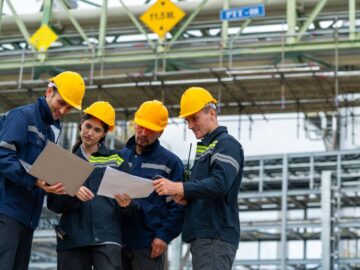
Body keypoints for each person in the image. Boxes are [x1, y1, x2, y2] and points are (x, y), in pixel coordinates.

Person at [0, 71, 86, 270]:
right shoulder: (23, 116)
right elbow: (3, 156)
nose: (63, 110)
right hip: (6, 210)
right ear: (49, 92)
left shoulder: (52, 130)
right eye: (61, 102)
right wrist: (35, 181)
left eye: (69, 107)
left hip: (28, 217)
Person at [153, 87, 244, 270]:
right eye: (187, 120)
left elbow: (220, 184)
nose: (190, 125)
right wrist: (187, 198)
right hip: (206, 236)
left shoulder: (226, 144)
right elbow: (207, 189)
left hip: (215, 235)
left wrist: (179, 188)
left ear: (212, 113)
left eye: (194, 118)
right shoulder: (208, 148)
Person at [47, 101, 130, 270]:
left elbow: (133, 205)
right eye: (88, 126)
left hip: (107, 238)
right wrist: (72, 189)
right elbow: (54, 205)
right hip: (73, 238)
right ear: (81, 125)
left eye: (97, 130)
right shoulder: (65, 161)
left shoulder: (117, 160)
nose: (90, 133)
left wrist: (127, 205)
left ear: (104, 133)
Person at [115, 100, 185, 270]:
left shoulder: (171, 163)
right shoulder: (119, 158)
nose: (143, 133)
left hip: (149, 245)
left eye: (150, 129)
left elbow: (179, 205)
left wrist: (164, 236)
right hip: (117, 242)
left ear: (160, 132)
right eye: (140, 126)